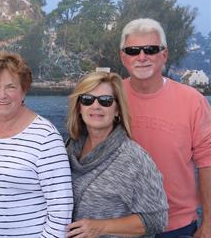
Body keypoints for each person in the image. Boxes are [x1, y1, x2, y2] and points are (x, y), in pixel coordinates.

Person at [0, 51, 73, 237]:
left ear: (24, 90)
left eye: (10, 87)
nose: (2, 95)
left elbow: (61, 211)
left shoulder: (45, 137)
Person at [119, 18, 211, 238]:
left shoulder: (193, 101)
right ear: (123, 57)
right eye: (133, 51)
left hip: (176, 227)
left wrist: (208, 224)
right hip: (119, 225)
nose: (142, 57)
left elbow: (208, 164)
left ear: (164, 55)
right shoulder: (108, 98)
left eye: (151, 49)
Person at [65, 71, 167, 238]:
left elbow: (156, 219)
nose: (95, 106)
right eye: (87, 99)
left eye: (105, 101)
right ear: (79, 107)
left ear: (118, 109)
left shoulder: (135, 158)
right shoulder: (68, 149)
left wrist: (101, 227)